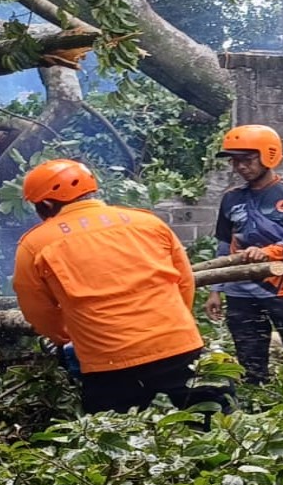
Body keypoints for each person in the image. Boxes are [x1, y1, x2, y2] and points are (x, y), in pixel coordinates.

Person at [12, 159, 232, 415]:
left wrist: (66, 337)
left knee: (119, 442)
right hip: (179, 346)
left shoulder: (35, 244)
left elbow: (38, 311)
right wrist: (173, 327)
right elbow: (184, 282)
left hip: (108, 362)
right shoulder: (148, 223)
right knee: (209, 427)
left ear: (46, 204)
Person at [204, 124, 283, 384]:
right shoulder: (231, 198)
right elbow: (224, 243)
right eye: (235, 162)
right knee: (250, 357)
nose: (241, 167)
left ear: (268, 155)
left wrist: (269, 253)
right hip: (239, 291)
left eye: (247, 160)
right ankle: (258, 403)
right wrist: (216, 289)